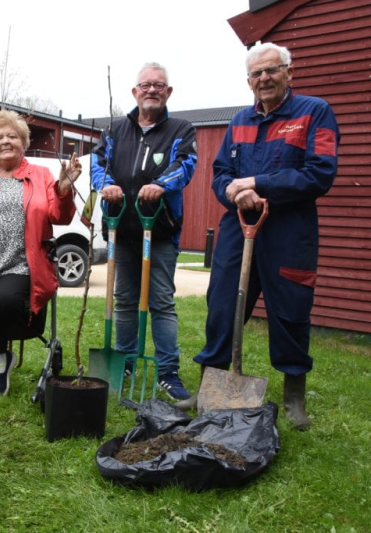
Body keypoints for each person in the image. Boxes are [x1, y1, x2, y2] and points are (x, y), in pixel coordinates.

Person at [177, 43, 339, 430]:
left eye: (271, 70)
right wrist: (234, 193)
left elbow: (320, 173)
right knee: (222, 305)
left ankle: (294, 397)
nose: (264, 78)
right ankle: (210, 386)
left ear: (289, 72)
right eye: (256, 74)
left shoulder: (315, 112)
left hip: (290, 230)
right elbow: (221, 173)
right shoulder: (240, 120)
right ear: (248, 81)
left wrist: (257, 182)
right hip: (240, 225)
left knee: (291, 310)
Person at [0, 110, 81, 397]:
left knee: (3, 302)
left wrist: (63, 190)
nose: (6, 141)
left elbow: (59, 216)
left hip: (22, 263)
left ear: (23, 142)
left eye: (12, 136)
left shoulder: (41, 175)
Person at [91, 62, 197, 400]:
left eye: (159, 85)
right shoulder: (114, 130)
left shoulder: (181, 129)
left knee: (161, 302)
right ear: (135, 91)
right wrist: (106, 184)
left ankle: (167, 372)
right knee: (124, 300)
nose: (152, 90)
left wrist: (161, 184)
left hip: (160, 230)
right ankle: (125, 361)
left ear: (168, 92)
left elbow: (186, 163)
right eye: (146, 85)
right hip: (122, 229)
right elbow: (98, 163)